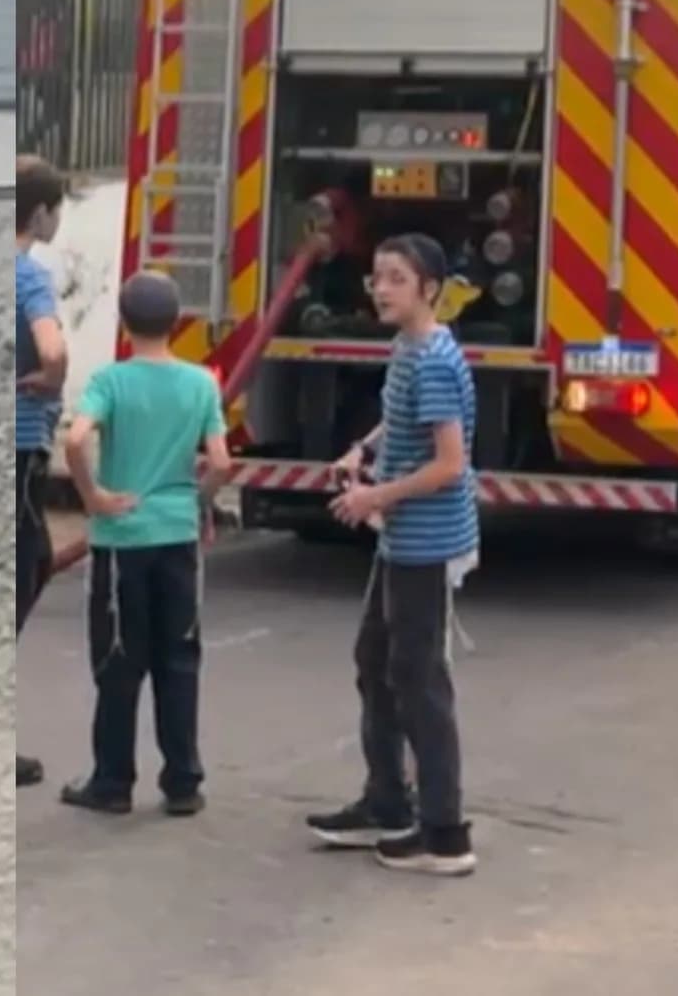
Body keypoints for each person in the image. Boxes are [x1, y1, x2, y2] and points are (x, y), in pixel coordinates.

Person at [304, 233, 479, 876]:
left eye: (396, 279)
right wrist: (364, 448)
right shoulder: (410, 348)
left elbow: (450, 464)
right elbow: (400, 417)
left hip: (425, 544)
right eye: (377, 277)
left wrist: (375, 493)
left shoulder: (432, 358)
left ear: (429, 288)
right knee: (376, 661)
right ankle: (387, 803)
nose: (380, 289)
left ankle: (444, 833)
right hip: (402, 539)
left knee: (419, 683)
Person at [58, 271, 233, 818]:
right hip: (176, 532)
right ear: (178, 320)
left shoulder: (109, 381)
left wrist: (94, 495)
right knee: (178, 658)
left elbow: (76, 437)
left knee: (118, 660)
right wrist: (198, 501)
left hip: (122, 538)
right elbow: (223, 463)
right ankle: (182, 781)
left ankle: (113, 781)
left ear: (123, 321)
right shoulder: (201, 383)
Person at [15, 155, 71, 790]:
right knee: (27, 567)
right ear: (40, 213)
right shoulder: (28, 276)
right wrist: (49, 377)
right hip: (21, 447)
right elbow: (52, 348)